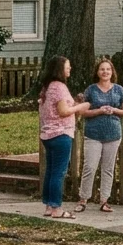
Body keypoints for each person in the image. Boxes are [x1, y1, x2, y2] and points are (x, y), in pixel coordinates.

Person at [37, 56, 90, 219]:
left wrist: (74, 102)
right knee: (59, 172)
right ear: (60, 69)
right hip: (60, 134)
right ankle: (56, 209)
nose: (70, 68)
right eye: (68, 66)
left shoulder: (47, 87)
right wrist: (82, 106)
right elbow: (63, 111)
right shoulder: (59, 87)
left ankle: (48, 205)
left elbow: (58, 108)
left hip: (48, 134)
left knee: (51, 171)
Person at [76, 57, 123, 213]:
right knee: (89, 167)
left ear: (112, 72)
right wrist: (98, 111)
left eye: (108, 69)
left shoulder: (119, 89)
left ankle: (104, 200)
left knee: (108, 168)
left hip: (113, 134)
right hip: (93, 134)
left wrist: (114, 110)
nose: (105, 72)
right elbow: (82, 112)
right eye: (102, 69)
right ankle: (83, 199)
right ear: (97, 72)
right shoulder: (91, 90)